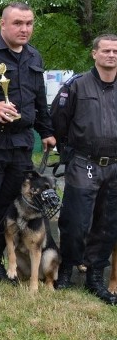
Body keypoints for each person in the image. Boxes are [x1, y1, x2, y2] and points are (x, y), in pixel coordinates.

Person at [0, 2, 56, 292]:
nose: (24, 29)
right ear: (2, 24)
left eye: (29, 23)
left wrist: (48, 132)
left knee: (10, 207)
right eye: (17, 23)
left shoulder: (33, 55)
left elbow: (39, 98)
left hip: (22, 144)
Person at [50, 34, 117, 305]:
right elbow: (58, 120)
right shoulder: (77, 85)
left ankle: (94, 277)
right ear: (94, 54)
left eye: (115, 51)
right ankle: (66, 269)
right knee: (76, 221)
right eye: (106, 51)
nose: (111, 55)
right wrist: (69, 152)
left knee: (107, 224)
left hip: (114, 165)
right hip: (84, 162)